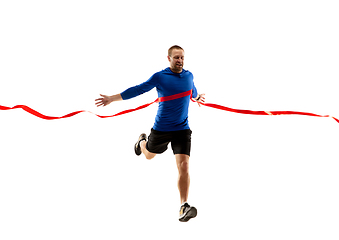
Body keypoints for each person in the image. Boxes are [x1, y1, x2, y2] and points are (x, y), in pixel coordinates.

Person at [95, 45, 205, 222]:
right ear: (168, 58)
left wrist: (198, 97)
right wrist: (111, 98)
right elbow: (138, 89)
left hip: (182, 129)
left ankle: (183, 206)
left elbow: (192, 91)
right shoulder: (160, 77)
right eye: (176, 57)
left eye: (182, 57)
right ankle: (141, 143)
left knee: (184, 165)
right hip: (161, 129)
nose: (180, 60)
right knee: (149, 156)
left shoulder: (189, 75)